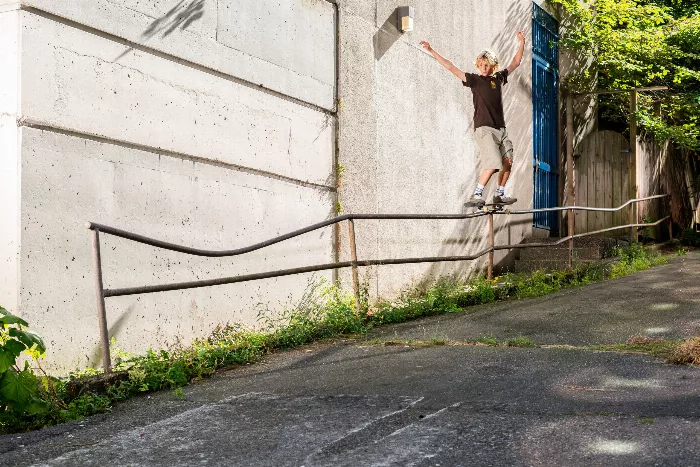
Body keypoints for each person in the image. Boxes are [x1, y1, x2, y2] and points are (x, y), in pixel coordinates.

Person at [419, 32, 526, 208]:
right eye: (481, 65)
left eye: (487, 65)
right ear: (478, 65)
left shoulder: (498, 78)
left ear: (493, 65)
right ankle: (477, 194)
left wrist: (521, 42)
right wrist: (431, 50)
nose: (484, 68)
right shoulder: (474, 80)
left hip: (501, 129)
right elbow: (451, 67)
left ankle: (499, 194)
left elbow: (515, 62)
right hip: (484, 129)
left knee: (508, 161)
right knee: (493, 163)